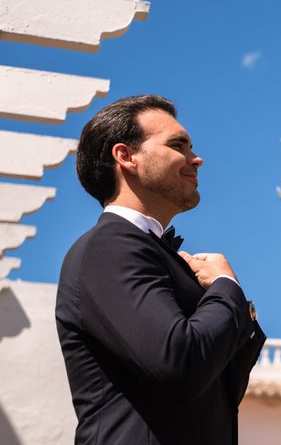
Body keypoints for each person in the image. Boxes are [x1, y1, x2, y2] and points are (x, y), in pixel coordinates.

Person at [55, 95, 265, 445]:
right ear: (126, 156)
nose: (196, 159)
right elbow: (181, 363)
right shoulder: (109, 246)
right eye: (177, 145)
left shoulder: (146, 252)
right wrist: (227, 286)